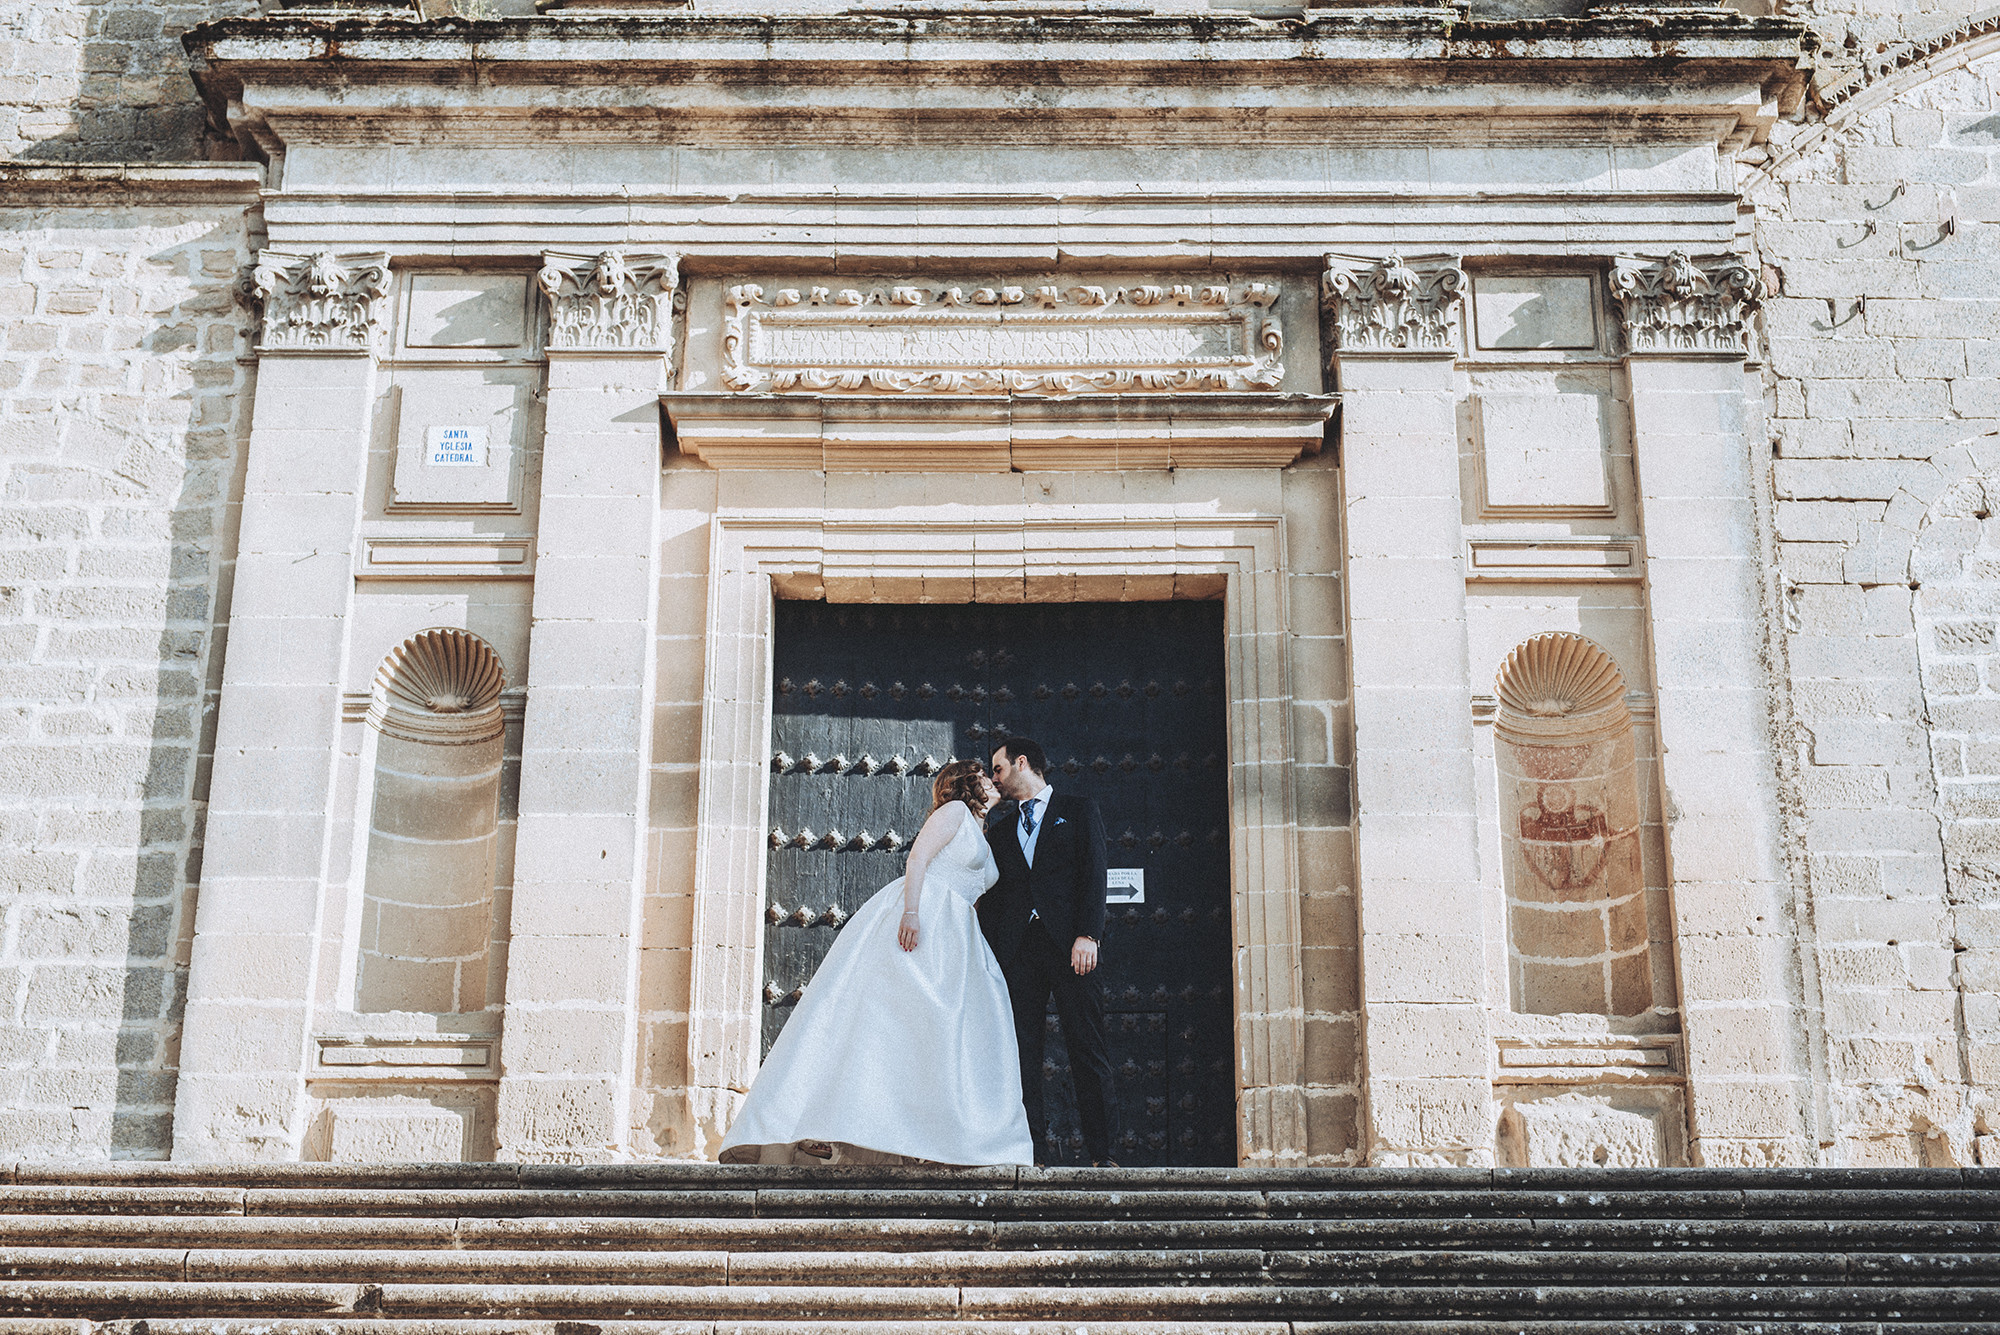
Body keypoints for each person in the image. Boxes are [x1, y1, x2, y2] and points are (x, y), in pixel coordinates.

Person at [719, 760, 1034, 1166]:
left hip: (959, 936)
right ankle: (823, 1122)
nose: (993, 781)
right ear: (966, 784)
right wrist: (912, 913)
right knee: (885, 1026)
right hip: (929, 917)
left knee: (941, 1036)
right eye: (985, 776)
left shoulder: (982, 832)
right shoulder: (954, 812)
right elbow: (918, 859)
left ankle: (936, 1138)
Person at [981, 736, 1118, 1167]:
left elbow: (1095, 874)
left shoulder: (1078, 811)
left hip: (1072, 949)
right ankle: (1032, 1152)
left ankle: (1104, 1154)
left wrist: (1089, 935)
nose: (994, 779)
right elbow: (996, 900)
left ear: (1022, 763)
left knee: (1087, 1047)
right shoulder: (1000, 831)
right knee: (1023, 1053)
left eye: (998, 769)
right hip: (1020, 953)